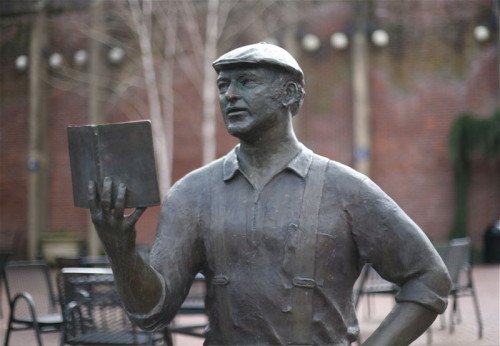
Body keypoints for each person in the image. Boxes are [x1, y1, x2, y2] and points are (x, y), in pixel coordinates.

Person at [89, 42, 451, 345]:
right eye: (222, 85)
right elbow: (152, 314)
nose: (230, 95)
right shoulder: (191, 194)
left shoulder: (346, 190)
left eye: (246, 82)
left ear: (289, 93)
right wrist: (120, 251)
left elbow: (429, 278)